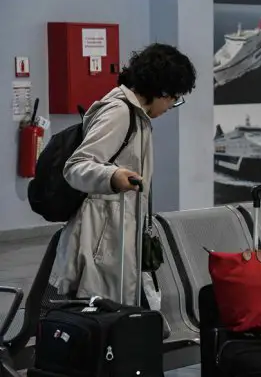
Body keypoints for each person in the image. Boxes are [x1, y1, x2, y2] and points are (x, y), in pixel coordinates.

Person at [50, 43, 197, 305]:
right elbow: (76, 166)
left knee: (123, 322)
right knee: (103, 324)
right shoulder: (119, 113)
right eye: (174, 99)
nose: (171, 106)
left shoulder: (134, 114)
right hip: (100, 240)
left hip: (115, 236)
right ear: (162, 91)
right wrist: (112, 177)